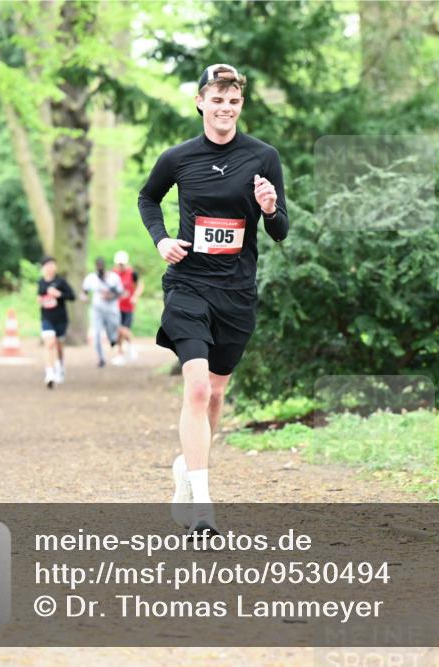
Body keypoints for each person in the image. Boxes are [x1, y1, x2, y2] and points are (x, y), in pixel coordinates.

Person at [138, 64, 289, 536]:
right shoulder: (178, 157)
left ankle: (188, 467)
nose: (226, 108)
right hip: (188, 285)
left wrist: (269, 208)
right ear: (201, 102)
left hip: (236, 292)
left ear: (241, 105)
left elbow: (280, 230)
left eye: (234, 101)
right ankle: (201, 506)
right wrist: (162, 240)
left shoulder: (263, 157)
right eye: (217, 99)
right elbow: (148, 198)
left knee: (217, 394)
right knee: (198, 389)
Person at [37, 256, 75, 388]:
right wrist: (42, 300)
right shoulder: (41, 282)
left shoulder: (61, 282)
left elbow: (72, 296)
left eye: (52, 265)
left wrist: (59, 294)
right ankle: (49, 373)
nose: (50, 268)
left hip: (61, 319)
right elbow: (39, 296)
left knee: (59, 346)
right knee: (49, 343)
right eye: (47, 266)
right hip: (47, 318)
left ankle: (60, 366)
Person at [81, 257, 124, 368]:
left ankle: (112, 339)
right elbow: (84, 291)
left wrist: (111, 295)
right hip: (97, 310)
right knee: (96, 334)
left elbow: (120, 292)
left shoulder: (113, 277)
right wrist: (84, 297)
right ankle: (101, 358)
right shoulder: (91, 278)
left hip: (112, 310)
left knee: (113, 329)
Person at [113, 250, 143, 363]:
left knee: (124, 329)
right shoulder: (113, 274)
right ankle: (120, 354)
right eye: (119, 264)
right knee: (118, 331)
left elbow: (139, 285)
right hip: (116, 307)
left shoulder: (132, 273)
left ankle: (131, 347)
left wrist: (135, 296)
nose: (121, 266)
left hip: (128, 307)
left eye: (122, 264)